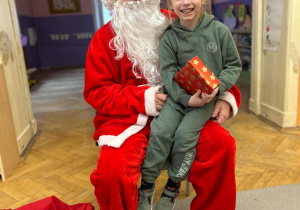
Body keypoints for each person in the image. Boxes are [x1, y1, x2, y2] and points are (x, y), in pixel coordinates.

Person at [83, 0, 241, 210]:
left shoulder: (178, 19)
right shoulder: (103, 38)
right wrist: (142, 98)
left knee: (222, 146)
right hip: (129, 121)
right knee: (112, 174)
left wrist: (225, 97)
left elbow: (216, 62)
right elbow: (96, 92)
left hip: (187, 108)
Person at [138, 0, 241, 209]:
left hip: (204, 102)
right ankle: (147, 186)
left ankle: (173, 186)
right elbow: (168, 73)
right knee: (161, 131)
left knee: (185, 136)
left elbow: (233, 65)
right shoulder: (168, 36)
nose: (185, 2)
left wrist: (218, 88)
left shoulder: (220, 31)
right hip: (177, 99)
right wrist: (185, 99)